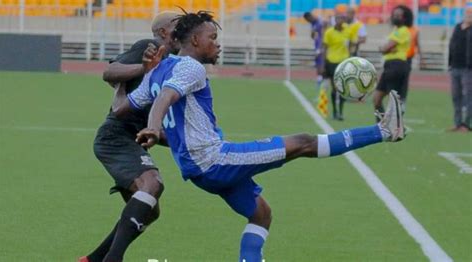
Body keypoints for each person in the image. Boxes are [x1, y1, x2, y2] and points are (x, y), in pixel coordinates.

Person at [131, 10, 405, 262]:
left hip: (199, 168)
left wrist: (121, 82)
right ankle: (384, 130)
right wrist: (154, 127)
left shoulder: (156, 71)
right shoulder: (191, 67)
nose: (217, 43)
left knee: (261, 214)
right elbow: (167, 97)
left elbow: (125, 105)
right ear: (193, 39)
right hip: (214, 161)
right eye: (212, 37)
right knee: (303, 142)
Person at [79, 11, 179, 262]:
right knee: (152, 184)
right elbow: (110, 72)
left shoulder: (173, 64)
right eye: (178, 25)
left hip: (130, 138)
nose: (184, 29)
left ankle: (92, 259)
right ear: (164, 32)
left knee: (150, 210)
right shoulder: (152, 47)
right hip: (116, 136)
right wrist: (142, 68)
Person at [372, 5, 411, 122]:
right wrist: (385, 48)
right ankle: (382, 125)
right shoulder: (396, 31)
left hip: (397, 66)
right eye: (394, 15)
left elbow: (385, 48)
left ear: (405, 18)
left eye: (399, 15)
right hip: (389, 66)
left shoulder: (403, 31)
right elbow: (386, 48)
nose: (395, 17)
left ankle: (394, 126)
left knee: (393, 99)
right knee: (376, 98)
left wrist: (384, 48)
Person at [322, 10, 357, 120]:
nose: (340, 20)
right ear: (334, 20)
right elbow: (325, 48)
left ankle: (341, 112)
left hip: (344, 62)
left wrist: (351, 54)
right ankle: (335, 112)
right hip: (331, 62)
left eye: (342, 18)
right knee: (334, 88)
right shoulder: (329, 32)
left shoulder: (348, 30)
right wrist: (323, 64)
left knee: (343, 88)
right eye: (337, 18)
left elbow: (353, 42)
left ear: (344, 20)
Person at [447, 7, 472, 132]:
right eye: (467, 14)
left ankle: (466, 125)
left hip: (468, 68)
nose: (469, 16)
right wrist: (450, 62)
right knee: (456, 96)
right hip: (455, 66)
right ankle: (457, 123)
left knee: (468, 96)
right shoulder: (457, 27)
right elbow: (452, 44)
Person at [303, 11, 325, 86]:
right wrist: (313, 33)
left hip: (321, 46)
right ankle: (319, 79)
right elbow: (312, 36)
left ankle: (322, 79)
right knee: (318, 62)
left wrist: (321, 47)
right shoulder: (313, 24)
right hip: (317, 45)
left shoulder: (319, 22)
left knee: (321, 62)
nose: (308, 21)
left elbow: (323, 35)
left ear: (310, 17)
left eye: (308, 19)